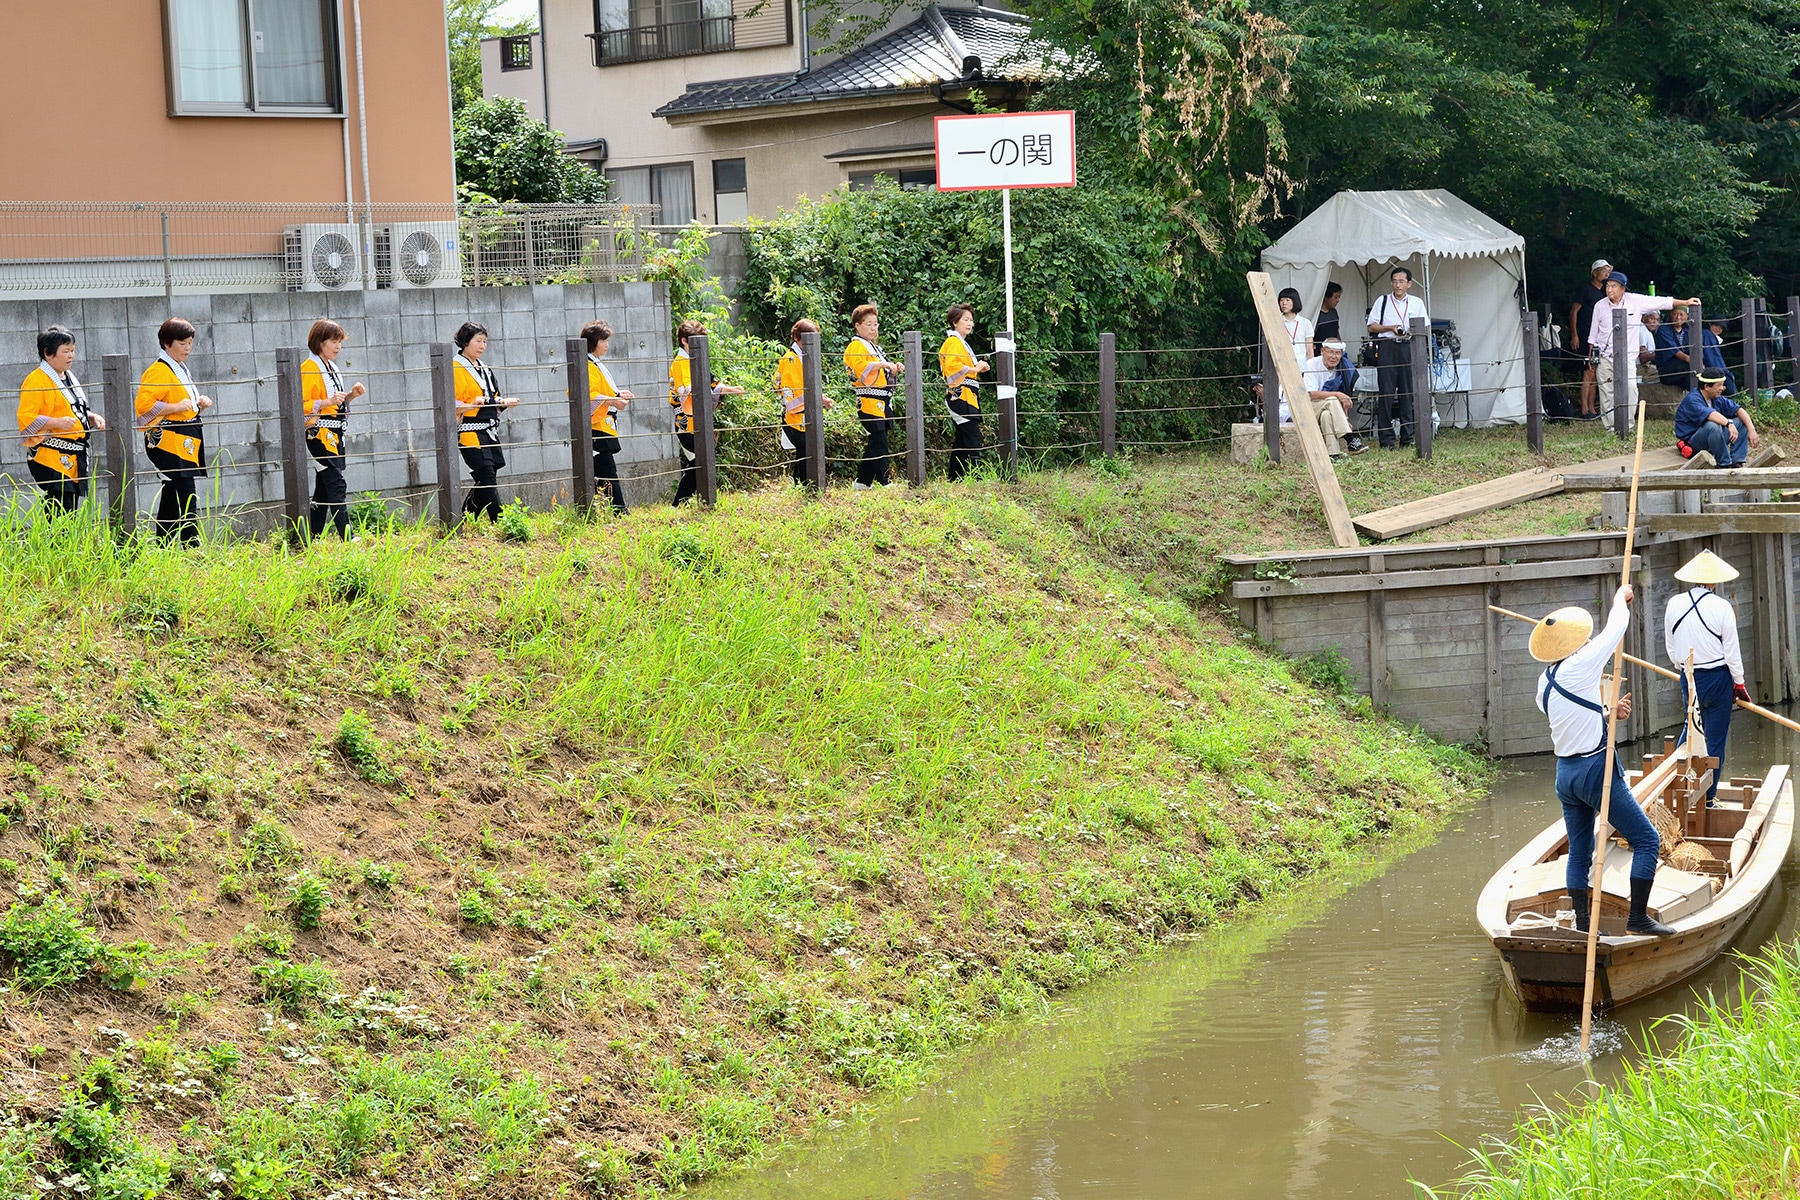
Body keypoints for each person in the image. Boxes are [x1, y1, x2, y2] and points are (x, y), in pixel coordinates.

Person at [1530, 588, 1673, 937]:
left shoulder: (1544, 682)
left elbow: (1572, 718)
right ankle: (1638, 918)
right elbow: (1616, 628)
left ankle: (1582, 926)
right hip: (1595, 770)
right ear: (1575, 643)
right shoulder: (1581, 663)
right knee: (1647, 840)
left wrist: (1609, 714)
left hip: (1566, 775)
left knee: (1581, 849)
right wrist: (1618, 601)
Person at [1664, 549, 1749, 805]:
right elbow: (1732, 651)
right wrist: (1739, 683)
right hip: (1717, 677)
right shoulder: (1722, 606)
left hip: (1688, 676)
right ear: (1714, 581)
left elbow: (1670, 647)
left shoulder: (1674, 603)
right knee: (1714, 737)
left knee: (1692, 729)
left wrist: (1682, 667)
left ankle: (1675, 784)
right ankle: (1708, 797)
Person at [136, 317, 214, 544]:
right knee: (186, 489)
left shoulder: (178, 368)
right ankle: (192, 544)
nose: (188, 347)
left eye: (190, 342)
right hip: (167, 439)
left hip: (185, 437)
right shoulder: (159, 371)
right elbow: (144, 407)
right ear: (167, 343)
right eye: (182, 343)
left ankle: (164, 545)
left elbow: (183, 403)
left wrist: (199, 402)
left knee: (172, 491)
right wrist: (175, 407)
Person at [1588, 272, 1699, 428]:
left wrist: (1685, 302)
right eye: (1607, 286)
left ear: (1623, 288)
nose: (1609, 289)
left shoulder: (1635, 300)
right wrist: (1592, 356)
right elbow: (1593, 334)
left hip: (1627, 356)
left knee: (1631, 390)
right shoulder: (1600, 305)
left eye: (1613, 286)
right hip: (1605, 355)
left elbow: (1660, 302)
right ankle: (1610, 427)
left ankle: (1628, 425)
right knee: (1607, 392)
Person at [18, 326, 106, 518]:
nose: (71, 356)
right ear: (48, 354)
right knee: (60, 507)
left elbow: (75, 409)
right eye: (65, 351)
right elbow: (26, 418)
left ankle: (66, 547)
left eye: (72, 350)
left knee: (70, 507)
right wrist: (54, 422)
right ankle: (58, 547)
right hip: (50, 454)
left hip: (74, 453)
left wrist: (91, 417)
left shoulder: (68, 377)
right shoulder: (36, 380)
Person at [299, 319, 366, 539]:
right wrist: (327, 402)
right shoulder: (308, 369)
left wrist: (351, 396)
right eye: (333, 341)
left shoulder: (332, 368)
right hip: (317, 434)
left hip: (334, 435)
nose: (337, 346)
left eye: (339, 342)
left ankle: (313, 536)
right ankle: (348, 536)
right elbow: (301, 406)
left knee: (324, 486)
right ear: (319, 342)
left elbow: (334, 404)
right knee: (336, 483)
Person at [668, 320, 744, 505]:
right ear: (684, 341)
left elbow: (711, 385)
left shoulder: (696, 360)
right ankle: (680, 503)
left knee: (699, 464)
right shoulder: (680, 363)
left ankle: (687, 503)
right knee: (699, 464)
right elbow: (687, 390)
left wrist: (731, 389)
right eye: (697, 341)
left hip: (699, 422)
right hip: (686, 424)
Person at [450, 322, 519, 524]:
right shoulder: (455, 366)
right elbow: (452, 403)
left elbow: (493, 397)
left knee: (486, 479)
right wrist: (472, 404)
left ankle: (463, 520)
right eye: (478, 341)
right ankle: (503, 522)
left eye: (485, 341)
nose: (482, 346)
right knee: (487, 477)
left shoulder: (485, 368)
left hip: (489, 431)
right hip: (469, 431)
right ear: (465, 342)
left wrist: (503, 402)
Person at [844, 304, 902, 489]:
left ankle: (863, 481)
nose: (873, 328)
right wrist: (883, 365)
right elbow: (861, 369)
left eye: (875, 324)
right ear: (857, 325)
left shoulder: (873, 347)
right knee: (879, 440)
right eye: (868, 324)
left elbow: (881, 370)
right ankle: (885, 481)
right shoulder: (855, 346)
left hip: (882, 399)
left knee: (877, 439)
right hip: (868, 399)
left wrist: (894, 367)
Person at [582, 320, 632, 514]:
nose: (607, 344)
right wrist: (613, 401)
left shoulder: (595, 363)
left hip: (603, 424)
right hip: (595, 425)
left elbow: (601, 392)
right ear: (593, 341)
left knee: (601, 472)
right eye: (603, 340)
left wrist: (619, 395)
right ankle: (620, 511)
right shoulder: (587, 364)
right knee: (607, 470)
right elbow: (590, 395)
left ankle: (604, 510)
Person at [775, 318, 832, 485]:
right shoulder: (791, 360)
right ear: (797, 338)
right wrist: (817, 400)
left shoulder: (804, 357)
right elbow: (792, 395)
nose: (811, 343)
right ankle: (807, 486)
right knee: (807, 451)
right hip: (795, 416)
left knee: (805, 452)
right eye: (807, 338)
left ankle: (801, 485)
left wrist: (821, 399)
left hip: (805, 415)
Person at [938, 304, 990, 480]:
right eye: (965, 320)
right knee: (972, 436)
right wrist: (975, 368)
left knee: (962, 438)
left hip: (967, 395)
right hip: (960, 396)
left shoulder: (961, 343)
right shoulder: (953, 342)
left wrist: (976, 369)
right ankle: (976, 477)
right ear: (955, 322)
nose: (970, 323)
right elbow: (953, 368)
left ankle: (955, 478)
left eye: (971, 320)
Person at [1296, 340, 1368, 458]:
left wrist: (1344, 418)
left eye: (1338, 353)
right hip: (1309, 407)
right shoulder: (1312, 364)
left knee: (1327, 415)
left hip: (1328, 408)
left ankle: (1333, 454)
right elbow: (1312, 394)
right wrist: (1338, 395)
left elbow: (1345, 400)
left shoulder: (1342, 368)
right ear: (1322, 351)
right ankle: (1350, 439)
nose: (1334, 357)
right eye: (1331, 352)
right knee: (1333, 399)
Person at [1673, 369, 1759, 467]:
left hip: (1714, 438)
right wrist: (1729, 423)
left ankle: (1737, 462)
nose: (1723, 388)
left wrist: (1752, 430)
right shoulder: (1693, 399)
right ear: (1706, 387)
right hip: (1694, 443)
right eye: (1719, 385)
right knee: (1712, 425)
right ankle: (1724, 464)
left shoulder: (1716, 398)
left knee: (1741, 421)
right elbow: (1711, 415)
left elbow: (1739, 410)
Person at [1569, 259, 1611, 418]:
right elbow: (1574, 311)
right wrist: (1574, 335)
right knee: (1587, 372)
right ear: (1594, 272)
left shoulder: (1604, 292)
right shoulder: (1585, 289)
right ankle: (1584, 409)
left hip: (1600, 338)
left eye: (1608, 271)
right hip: (1586, 336)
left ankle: (1593, 409)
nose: (1606, 274)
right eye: (1602, 270)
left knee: (1594, 372)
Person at [1655, 304, 1693, 387]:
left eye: (1681, 315)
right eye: (1675, 314)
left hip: (1684, 368)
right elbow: (1674, 350)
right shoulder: (1663, 329)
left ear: (1687, 317)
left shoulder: (1688, 331)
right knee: (1687, 366)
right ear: (1671, 315)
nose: (1678, 317)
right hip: (1667, 370)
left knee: (1691, 380)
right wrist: (1693, 361)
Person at [1278, 287, 1314, 370]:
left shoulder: (1305, 323)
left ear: (1295, 301)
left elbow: (1309, 349)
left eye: (1287, 300)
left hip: (1302, 366)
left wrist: (1311, 369)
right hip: (1283, 366)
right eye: (1281, 300)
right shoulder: (1277, 322)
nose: (1284, 303)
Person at [1702, 318, 1739, 396]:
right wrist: (1727, 373)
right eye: (1716, 325)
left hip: (1713, 369)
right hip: (1714, 371)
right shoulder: (1708, 335)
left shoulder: (1709, 335)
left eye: (1721, 327)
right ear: (1710, 323)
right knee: (1732, 391)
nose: (1718, 328)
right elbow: (1713, 359)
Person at [1314, 282, 1343, 348]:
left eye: (1339, 297)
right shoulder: (1316, 314)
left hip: (1334, 349)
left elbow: (1336, 332)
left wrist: (1340, 345)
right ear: (1326, 297)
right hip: (1320, 351)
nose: (1338, 300)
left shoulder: (1334, 312)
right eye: (1335, 297)